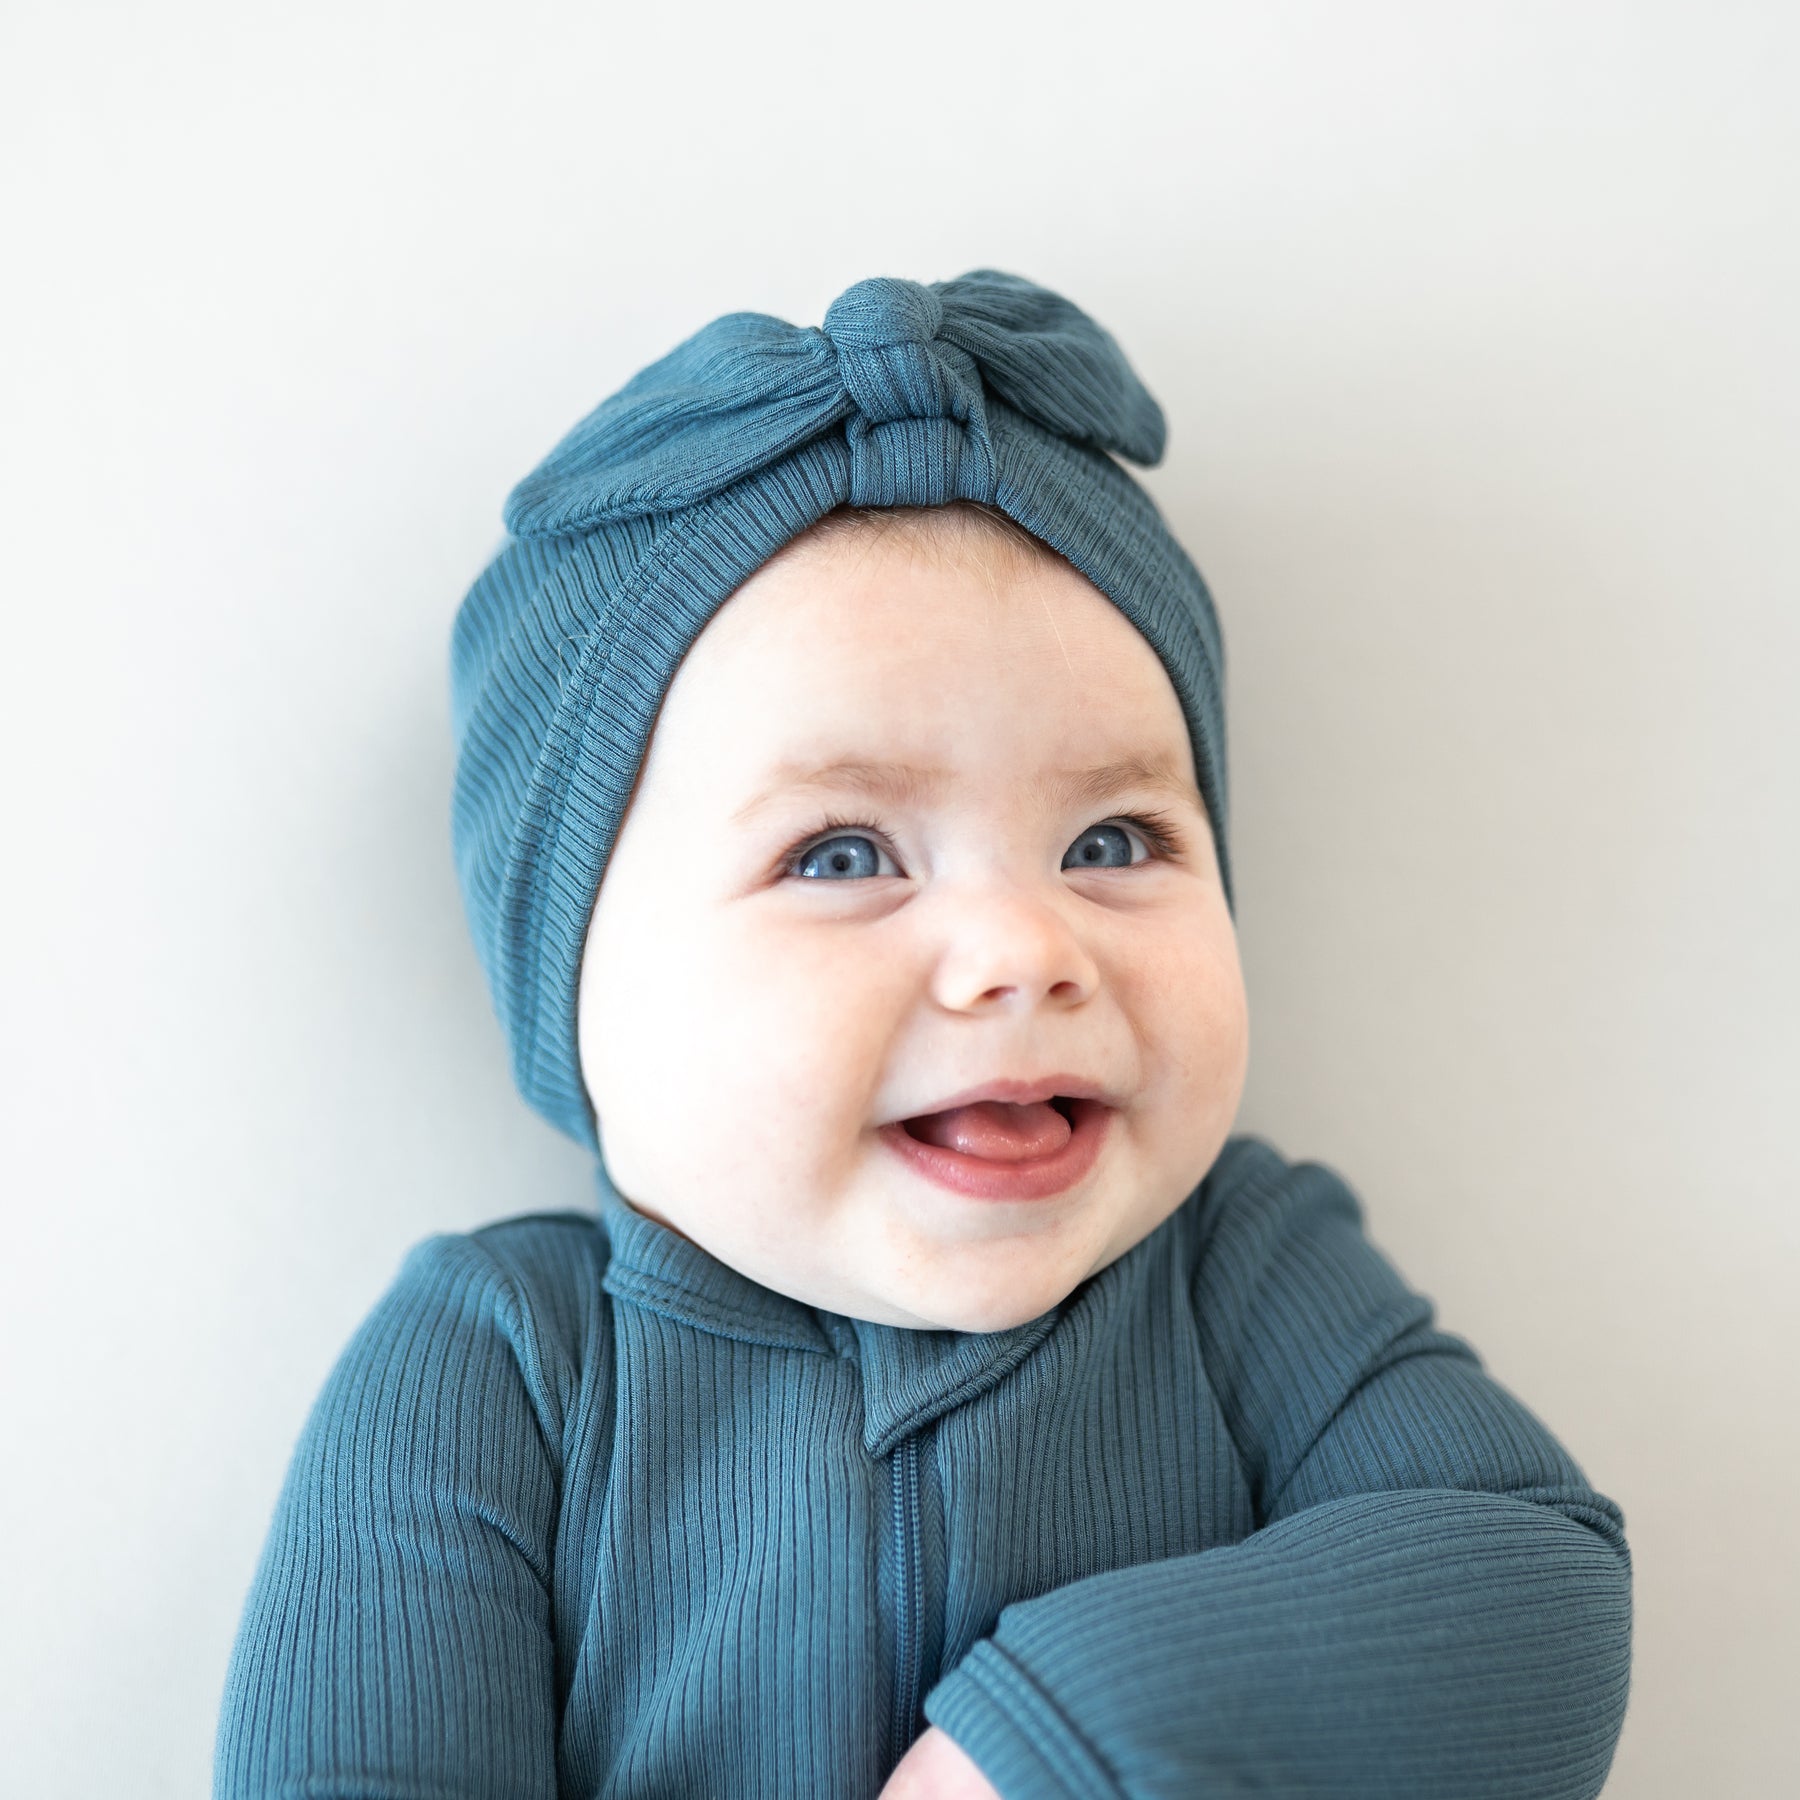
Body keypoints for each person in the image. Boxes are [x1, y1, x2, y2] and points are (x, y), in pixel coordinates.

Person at [214, 271, 1633, 1799]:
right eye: (842, 857)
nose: (1027, 950)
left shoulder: (1244, 1273)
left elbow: (1535, 1588)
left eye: (1112, 841)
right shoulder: (502, 1368)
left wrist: (1045, 1747)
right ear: (574, 980)